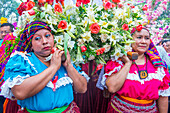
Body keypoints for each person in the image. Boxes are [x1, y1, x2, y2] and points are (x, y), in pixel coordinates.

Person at [0, 21, 87, 112]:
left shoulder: (61, 57)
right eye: (37, 38)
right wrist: (53, 68)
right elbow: (20, 92)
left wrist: (68, 65)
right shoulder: (22, 61)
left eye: (47, 36)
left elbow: (82, 88)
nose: (45, 42)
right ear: (31, 44)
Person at [99, 26, 170, 112]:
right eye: (139, 37)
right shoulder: (118, 62)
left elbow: (163, 97)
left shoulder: (158, 65)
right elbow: (112, 88)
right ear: (129, 39)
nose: (143, 41)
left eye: (147, 38)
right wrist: (128, 64)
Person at [0, 22, 14, 113]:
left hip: (8, 81)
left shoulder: (14, 45)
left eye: (6, 32)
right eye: (1, 32)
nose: (3, 34)